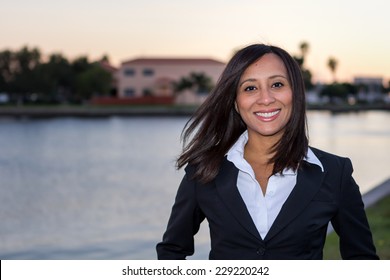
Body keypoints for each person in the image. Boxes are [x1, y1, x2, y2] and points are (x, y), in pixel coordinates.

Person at [156, 43, 379, 260]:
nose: (265, 99)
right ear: (235, 101)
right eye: (250, 88)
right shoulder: (204, 170)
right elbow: (172, 251)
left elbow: (362, 260)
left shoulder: (334, 173)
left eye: (277, 85)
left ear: (295, 93)